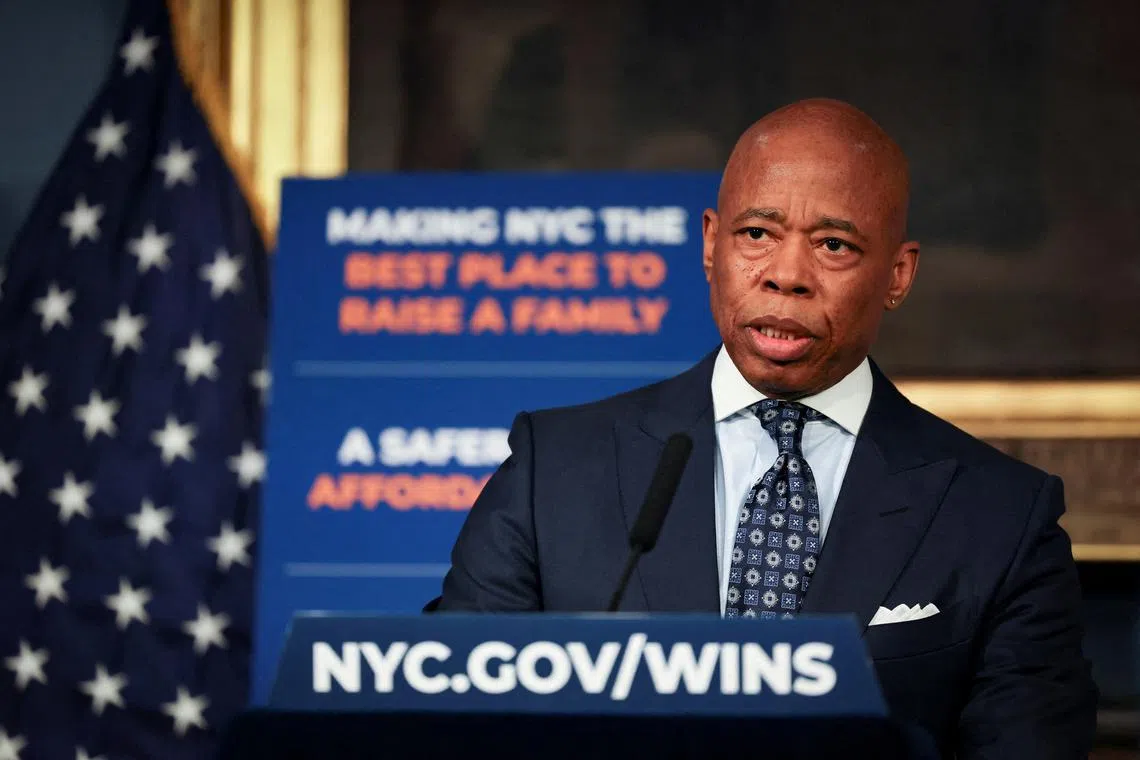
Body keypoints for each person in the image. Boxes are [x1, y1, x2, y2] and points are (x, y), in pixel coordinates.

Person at [427, 98, 1098, 758]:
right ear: (711, 243)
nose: (785, 276)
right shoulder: (554, 473)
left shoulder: (1003, 520)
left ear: (898, 274)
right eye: (757, 235)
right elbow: (446, 728)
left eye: (834, 245)